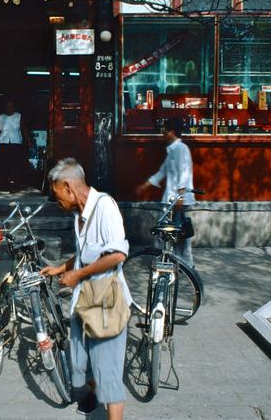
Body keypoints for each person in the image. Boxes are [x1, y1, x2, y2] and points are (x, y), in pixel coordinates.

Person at [40, 158, 131, 420]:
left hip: (106, 301)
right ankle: (89, 397)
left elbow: (117, 255)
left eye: (56, 193)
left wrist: (77, 274)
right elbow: (85, 254)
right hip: (84, 299)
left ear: (68, 186)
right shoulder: (78, 215)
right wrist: (60, 268)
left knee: (108, 373)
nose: (56, 200)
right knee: (78, 365)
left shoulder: (105, 207)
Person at [135, 116, 195, 267]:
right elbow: (162, 172)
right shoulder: (172, 151)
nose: (163, 134)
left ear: (172, 132)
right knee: (172, 232)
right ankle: (175, 261)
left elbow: (184, 173)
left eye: (165, 130)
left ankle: (185, 264)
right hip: (171, 199)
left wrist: (180, 197)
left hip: (176, 200)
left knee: (177, 232)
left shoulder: (181, 149)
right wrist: (145, 185)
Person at [0, 99, 30, 192]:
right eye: (7, 106)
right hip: (4, 143)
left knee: (15, 164)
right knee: (4, 164)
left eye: (11, 106)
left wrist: (28, 140)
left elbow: (23, 128)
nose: (9, 108)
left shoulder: (19, 116)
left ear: (14, 107)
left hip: (15, 143)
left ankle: (14, 184)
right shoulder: (1, 116)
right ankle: (5, 184)